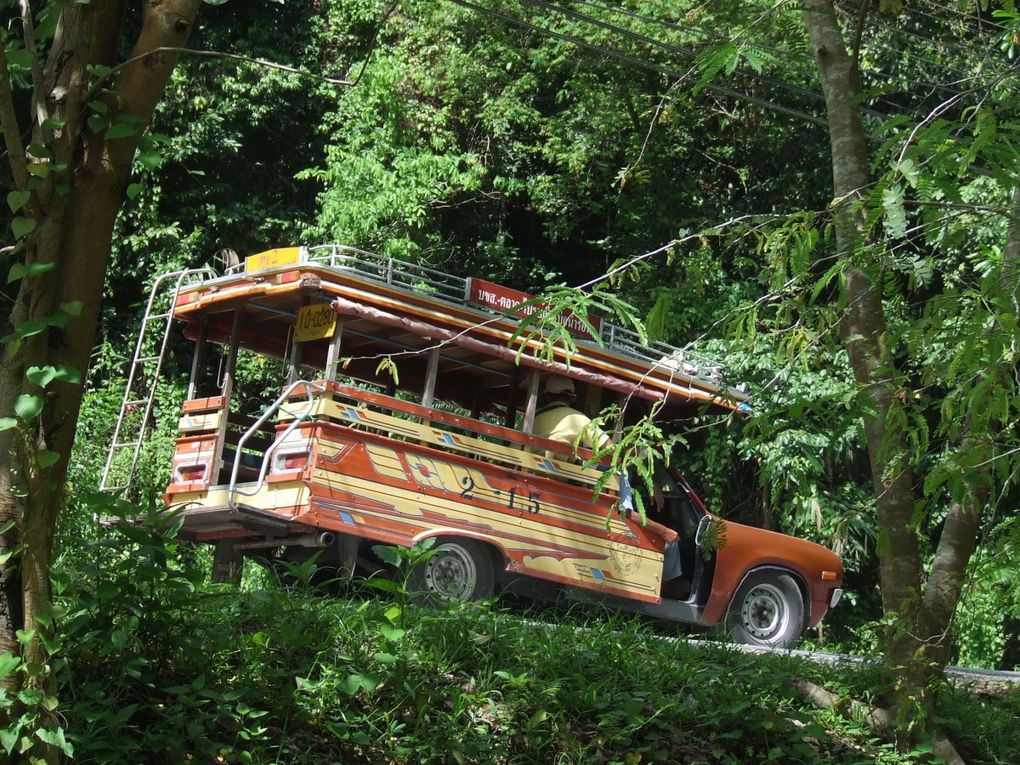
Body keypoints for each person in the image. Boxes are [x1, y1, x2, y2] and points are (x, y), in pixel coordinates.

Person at [532, 375, 685, 596]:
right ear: (572, 398)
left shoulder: (534, 419)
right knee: (620, 471)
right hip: (563, 485)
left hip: (540, 480)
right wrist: (663, 527)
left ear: (546, 396)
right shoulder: (577, 419)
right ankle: (667, 589)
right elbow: (611, 451)